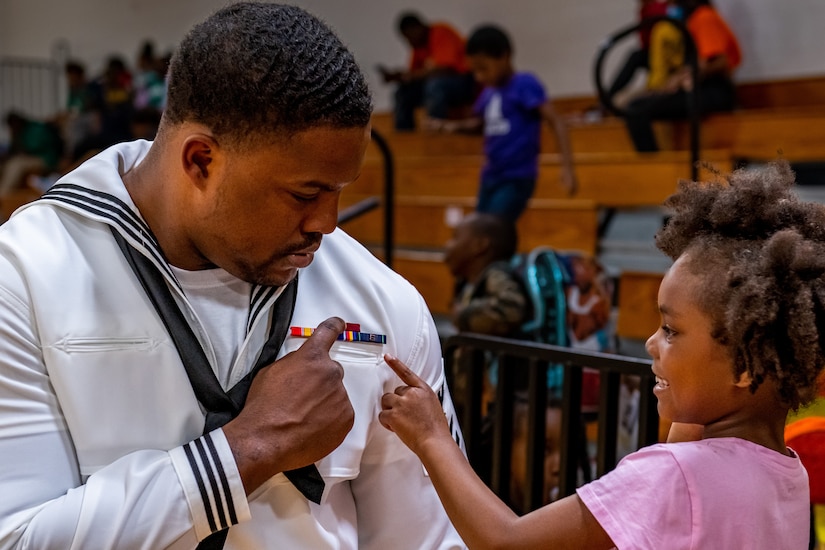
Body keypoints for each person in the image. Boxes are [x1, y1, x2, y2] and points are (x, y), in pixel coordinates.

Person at [0, 4, 465, 549]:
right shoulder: (24, 276)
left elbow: (426, 541)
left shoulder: (385, 301)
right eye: (305, 193)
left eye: (340, 191)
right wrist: (250, 447)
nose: (327, 224)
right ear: (200, 160)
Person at [380, 160, 822, 548]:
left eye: (671, 331)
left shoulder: (675, 476)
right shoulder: (789, 474)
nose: (651, 343)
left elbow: (506, 542)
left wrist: (432, 438)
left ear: (745, 365)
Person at [436, 25, 577, 222]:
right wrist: (451, 127)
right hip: (491, 175)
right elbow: (481, 126)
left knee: (491, 231)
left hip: (516, 177)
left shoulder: (524, 83)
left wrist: (567, 169)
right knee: (481, 230)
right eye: (474, 71)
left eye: (483, 68)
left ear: (505, 56)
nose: (479, 77)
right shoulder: (488, 93)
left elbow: (556, 122)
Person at [623, 0, 742, 151]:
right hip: (698, 88)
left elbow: (719, 61)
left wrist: (680, 79)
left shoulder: (703, 17)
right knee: (637, 105)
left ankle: (656, 169)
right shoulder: (688, 21)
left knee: (637, 109)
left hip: (715, 91)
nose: (669, 4)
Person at [378, 12, 475, 131]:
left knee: (434, 86)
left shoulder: (440, 32)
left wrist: (410, 76)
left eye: (409, 36)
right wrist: (399, 77)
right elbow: (414, 76)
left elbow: (447, 68)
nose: (409, 42)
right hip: (435, 88)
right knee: (402, 93)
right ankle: (404, 137)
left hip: (463, 82)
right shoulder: (418, 47)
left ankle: (435, 131)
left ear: (418, 27)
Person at [606, 0, 670, 101]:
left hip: (666, 55)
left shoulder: (659, 9)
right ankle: (608, 98)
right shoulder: (645, 10)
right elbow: (644, 42)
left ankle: (607, 99)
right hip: (654, 54)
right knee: (636, 56)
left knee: (636, 57)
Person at [0, 111, 63, 197]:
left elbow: (32, 148)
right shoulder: (19, 131)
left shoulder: (35, 129)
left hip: (45, 159)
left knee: (15, 165)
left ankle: (3, 195)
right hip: (29, 158)